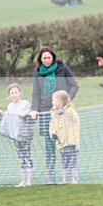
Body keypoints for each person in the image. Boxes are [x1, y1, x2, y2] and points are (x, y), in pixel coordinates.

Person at [29, 46, 79, 185]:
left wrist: (66, 100)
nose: (46, 60)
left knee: (66, 144)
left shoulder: (62, 69)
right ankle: (51, 177)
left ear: (53, 58)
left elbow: (74, 85)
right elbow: (36, 93)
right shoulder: (38, 73)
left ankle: (69, 176)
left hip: (63, 112)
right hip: (46, 112)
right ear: (40, 59)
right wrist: (34, 109)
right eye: (44, 58)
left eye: (49, 58)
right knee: (49, 144)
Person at [0, 83, 34, 187]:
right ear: (9, 95)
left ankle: (29, 180)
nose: (14, 94)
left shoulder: (25, 104)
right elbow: (6, 117)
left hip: (25, 135)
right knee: (21, 157)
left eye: (16, 92)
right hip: (15, 136)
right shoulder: (10, 106)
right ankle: (23, 181)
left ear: (20, 93)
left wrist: (26, 112)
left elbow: (31, 111)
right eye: (12, 93)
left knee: (27, 155)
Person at [49, 90, 81, 184]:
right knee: (64, 160)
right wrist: (53, 133)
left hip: (70, 141)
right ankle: (65, 179)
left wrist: (72, 137)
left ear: (60, 101)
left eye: (54, 100)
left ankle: (74, 178)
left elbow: (76, 122)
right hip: (60, 141)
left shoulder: (70, 111)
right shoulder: (53, 112)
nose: (52, 102)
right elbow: (52, 124)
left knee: (72, 159)